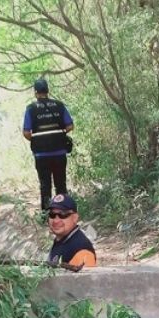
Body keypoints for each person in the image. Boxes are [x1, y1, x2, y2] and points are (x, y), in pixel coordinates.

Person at [22, 79, 74, 211]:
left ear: (35, 93)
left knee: (45, 185)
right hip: (59, 153)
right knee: (60, 184)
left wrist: (39, 138)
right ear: (48, 91)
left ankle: (46, 214)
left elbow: (26, 132)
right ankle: (63, 210)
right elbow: (70, 126)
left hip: (41, 155)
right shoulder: (59, 105)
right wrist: (57, 133)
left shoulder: (31, 109)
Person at [46, 194, 96, 267]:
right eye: (52, 214)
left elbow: (87, 277)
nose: (56, 221)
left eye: (63, 215)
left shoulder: (81, 248)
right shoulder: (61, 240)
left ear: (75, 218)